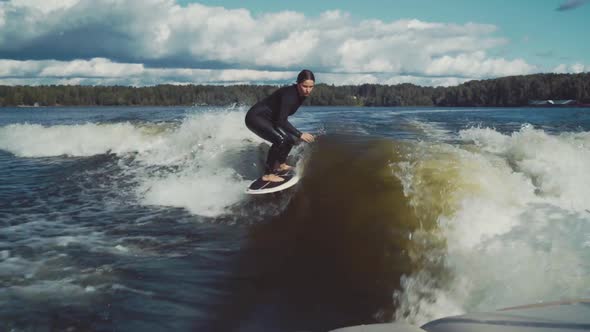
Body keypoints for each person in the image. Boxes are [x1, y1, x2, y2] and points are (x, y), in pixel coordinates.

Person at [245, 69, 316, 182]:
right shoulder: (289, 95)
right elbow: (281, 121)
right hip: (255, 118)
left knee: (290, 139)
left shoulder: (301, 94)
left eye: (311, 87)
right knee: (280, 139)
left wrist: (295, 135)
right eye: (304, 86)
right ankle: (268, 174)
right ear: (298, 83)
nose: (308, 90)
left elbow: (281, 119)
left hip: (270, 119)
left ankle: (280, 164)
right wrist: (300, 134)